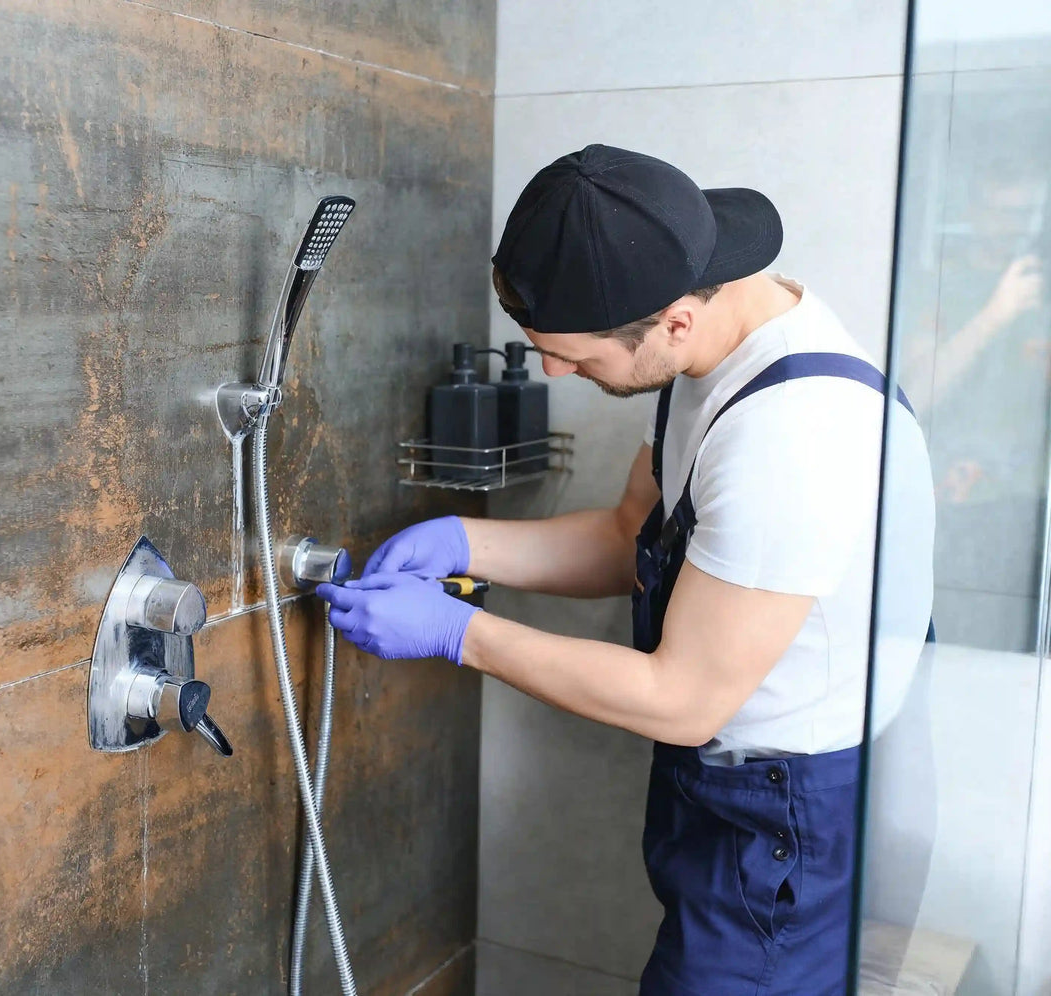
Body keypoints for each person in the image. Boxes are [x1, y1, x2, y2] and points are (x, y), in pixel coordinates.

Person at [316, 144, 936, 995]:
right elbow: (629, 538)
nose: (554, 372)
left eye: (574, 356)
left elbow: (683, 700)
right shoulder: (710, 345)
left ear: (675, 319)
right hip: (729, 788)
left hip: (787, 824)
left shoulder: (790, 439)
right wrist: (464, 540)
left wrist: (460, 633)